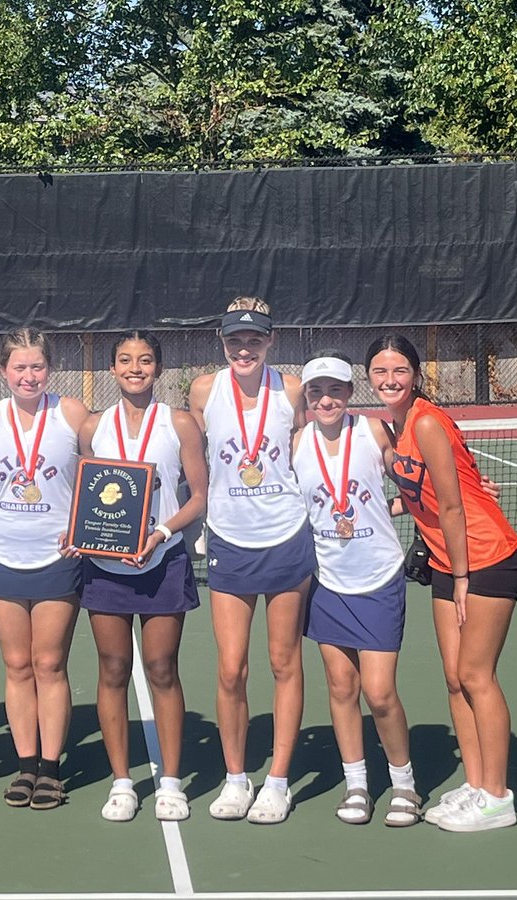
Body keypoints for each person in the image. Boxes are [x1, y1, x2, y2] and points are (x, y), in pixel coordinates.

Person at [366, 333, 517, 833]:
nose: (389, 380)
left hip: (485, 559)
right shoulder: (396, 425)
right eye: (379, 372)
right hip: (446, 560)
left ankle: (497, 797)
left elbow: (453, 506)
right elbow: (425, 491)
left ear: (415, 375)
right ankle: (477, 785)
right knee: (454, 678)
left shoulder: (427, 421)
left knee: (477, 675)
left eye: (399, 372)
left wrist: (460, 576)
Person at [67, 330, 208, 823]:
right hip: (104, 567)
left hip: (163, 560)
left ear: (158, 368)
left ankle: (170, 782)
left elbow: (199, 497)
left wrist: (162, 531)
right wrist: (79, 534)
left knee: (162, 668)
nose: (135, 367)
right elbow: (85, 494)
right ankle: (122, 782)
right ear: (112, 369)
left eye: (145, 360)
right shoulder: (92, 427)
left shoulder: (181, 424)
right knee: (111, 670)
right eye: (125, 359)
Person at [187, 296, 315, 825]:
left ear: (270, 341)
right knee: (231, 667)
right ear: (222, 342)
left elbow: (313, 453)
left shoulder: (290, 390)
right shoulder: (202, 390)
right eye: (235, 339)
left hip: (286, 539)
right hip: (229, 543)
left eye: (255, 339)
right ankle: (236, 778)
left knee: (284, 662)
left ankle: (278, 782)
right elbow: (189, 459)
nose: (245, 348)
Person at [292, 351, 421, 827]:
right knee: (342, 687)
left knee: (380, 692)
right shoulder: (296, 444)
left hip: (379, 577)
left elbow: (413, 482)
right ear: (306, 398)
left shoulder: (371, 431)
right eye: (316, 391)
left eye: (335, 390)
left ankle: (405, 784)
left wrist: (463, 489)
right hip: (327, 582)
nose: (326, 400)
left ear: (350, 393)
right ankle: (357, 784)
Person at [0, 328, 89, 810]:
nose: (28, 376)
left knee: (49, 663)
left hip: (57, 558)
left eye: (37, 366)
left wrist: (84, 530)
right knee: (17, 665)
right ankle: (26, 766)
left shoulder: (73, 414)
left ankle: (52, 769)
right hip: (2, 554)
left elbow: (102, 478)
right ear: (3, 372)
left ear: (49, 369)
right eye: (19, 367)